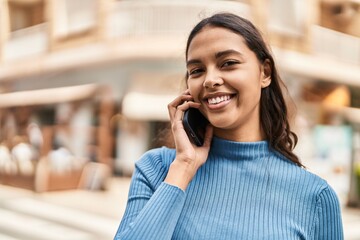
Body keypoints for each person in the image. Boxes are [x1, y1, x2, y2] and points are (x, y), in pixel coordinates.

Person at [114, 13, 343, 239]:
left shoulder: (316, 197)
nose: (209, 80)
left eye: (228, 63)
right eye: (196, 70)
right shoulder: (156, 169)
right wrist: (183, 168)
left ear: (265, 72)